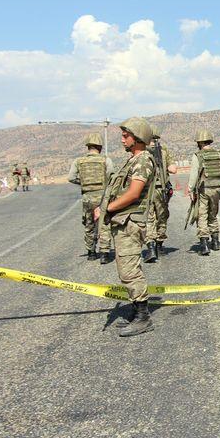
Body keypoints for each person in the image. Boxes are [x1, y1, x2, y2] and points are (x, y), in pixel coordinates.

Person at [95, 117, 156, 337]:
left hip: (130, 222)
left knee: (129, 270)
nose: (122, 139)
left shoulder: (142, 161)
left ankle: (143, 317)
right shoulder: (132, 160)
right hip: (124, 221)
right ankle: (137, 311)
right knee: (126, 269)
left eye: (126, 135)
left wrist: (107, 209)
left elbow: (133, 193)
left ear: (137, 137)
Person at [68, 133, 115, 263]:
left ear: (88, 146)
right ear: (100, 146)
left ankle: (91, 252)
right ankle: (105, 254)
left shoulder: (78, 161)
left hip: (87, 198)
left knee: (89, 224)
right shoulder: (106, 160)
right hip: (102, 197)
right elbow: (111, 176)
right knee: (104, 223)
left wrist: (83, 182)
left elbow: (71, 177)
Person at [187, 130, 220, 255]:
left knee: (202, 216)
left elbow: (194, 174)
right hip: (217, 189)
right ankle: (215, 243)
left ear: (199, 142)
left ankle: (204, 245)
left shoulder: (197, 155)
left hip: (203, 189)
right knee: (213, 214)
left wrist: (190, 189)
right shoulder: (218, 154)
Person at [143, 125, 178, 263]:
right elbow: (173, 169)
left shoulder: (141, 152)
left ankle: (151, 248)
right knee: (162, 217)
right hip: (161, 189)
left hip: (146, 191)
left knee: (149, 219)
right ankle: (160, 246)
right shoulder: (164, 151)